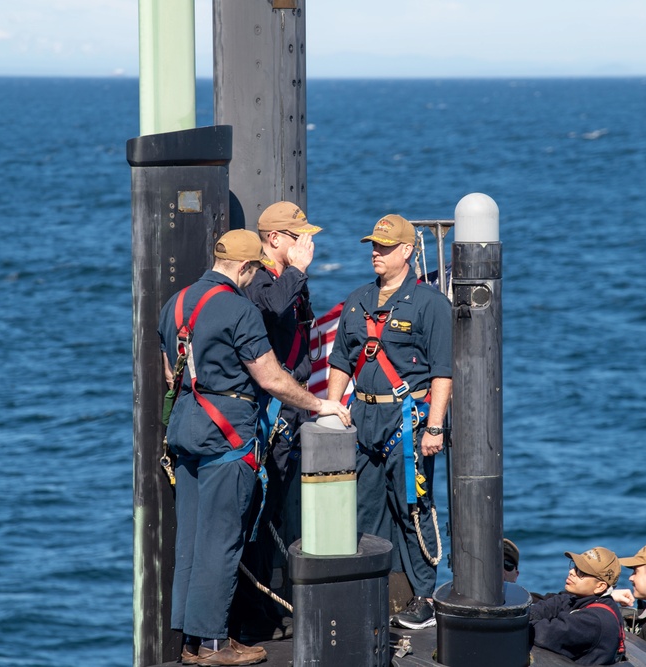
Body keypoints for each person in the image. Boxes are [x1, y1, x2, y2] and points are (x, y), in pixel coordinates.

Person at [159, 229, 351, 667]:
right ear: (246, 268)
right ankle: (213, 645)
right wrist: (319, 402)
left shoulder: (176, 303)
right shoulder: (240, 309)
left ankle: (189, 642)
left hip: (186, 429)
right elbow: (271, 378)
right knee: (223, 540)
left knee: (190, 538)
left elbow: (171, 372)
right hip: (227, 433)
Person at [326, 214, 452, 630]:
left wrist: (434, 427)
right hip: (362, 419)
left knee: (411, 507)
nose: (375, 254)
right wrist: (331, 409)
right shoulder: (359, 299)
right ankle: (378, 589)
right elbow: (342, 358)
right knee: (365, 510)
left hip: (407, 422)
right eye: (372, 246)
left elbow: (442, 372)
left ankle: (425, 596)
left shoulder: (430, 304)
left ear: (407, 252)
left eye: (383, 247)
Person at [232, 201, 321, 640]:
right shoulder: (263, 282)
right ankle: (252, 611)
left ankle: (266, 600)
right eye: (297, 236)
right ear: (273, 239)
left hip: (291, 409)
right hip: (271, 414)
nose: (306, 244)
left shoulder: (286, 279)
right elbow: (273, 306)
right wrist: (298, 271)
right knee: (261, 515)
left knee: (278, 513)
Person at [528, 547, 625, 666]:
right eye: (574, 567)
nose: (572, 572)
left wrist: (520, 622)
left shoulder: (594, 620)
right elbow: (550, 606)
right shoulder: (579, 599)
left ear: (600, 586)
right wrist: (529, 615)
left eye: (581, 572)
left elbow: (543, 634)